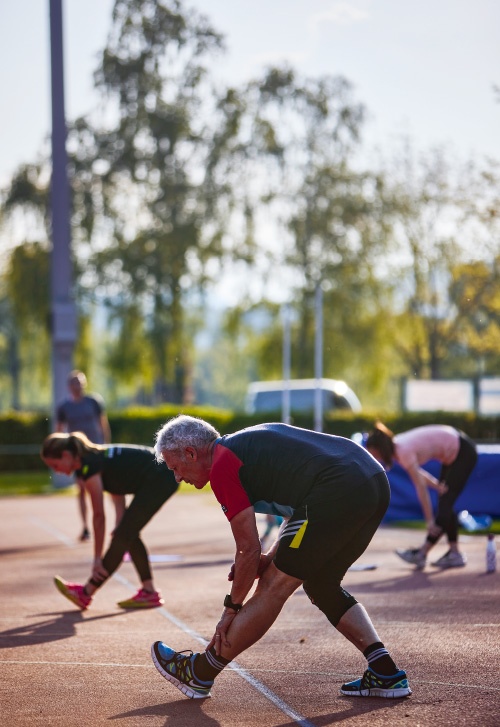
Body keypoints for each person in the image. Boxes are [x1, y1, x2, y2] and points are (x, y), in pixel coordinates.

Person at [150, 415, 411, 700]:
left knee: (274, 584)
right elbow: (300, 508)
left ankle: (200, 673)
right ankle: (385, 672)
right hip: (371, 481)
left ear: (191, 453)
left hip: (340, 486)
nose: (177, 477)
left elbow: (247, 550)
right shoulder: (244, 446)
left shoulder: (223, 466)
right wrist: (274, 554)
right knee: (321, 584)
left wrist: (230, 609)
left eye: (175, 467)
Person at [40, 432, 178, 610]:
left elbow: (98, 516)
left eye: (55, 465)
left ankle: (86, 592)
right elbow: (118, 485)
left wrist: (97, 559)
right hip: (160, 475)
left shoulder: (89, 466)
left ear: (66, 455)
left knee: (124, 534)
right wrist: (120, 521)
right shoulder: (95, 458)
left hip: (162, 476)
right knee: (126, 533)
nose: (56, 470)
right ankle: (149, 591)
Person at [366, 422, 478, 570]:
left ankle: (423, 552)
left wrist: (430, 521)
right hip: (454, 451)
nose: (373, 457)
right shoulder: (399, 448)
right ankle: (453, 553)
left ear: (379, 449)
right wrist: (437, 485)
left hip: (463, 451)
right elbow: (420, 475)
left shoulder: (402, 451)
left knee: (445, 503)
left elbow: (420, 487)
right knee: (445, 502)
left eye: (372, 452)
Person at [56, 370, 111, 541]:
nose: (77, 387)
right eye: (74, 384)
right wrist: (60, 452)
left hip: (95, 450)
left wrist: (107, 445)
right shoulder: (64, 407)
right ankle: (86, 527)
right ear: (69, 387)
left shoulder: (94, 401)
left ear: (84, 384)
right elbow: (59, 431)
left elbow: (103, 424)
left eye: (80, 383)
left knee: (102, 487)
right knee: (81, 488)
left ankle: (104, 524)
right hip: (77, 454)